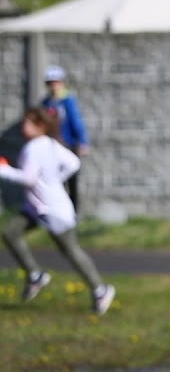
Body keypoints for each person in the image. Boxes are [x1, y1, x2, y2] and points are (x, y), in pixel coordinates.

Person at [0, 107, 114, 314]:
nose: (23, 127)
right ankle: (36, 275)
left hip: (53, 209)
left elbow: (28, 179)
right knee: (11, 233)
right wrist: (53, 181)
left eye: (28, 123)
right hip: (36, 207)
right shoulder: (51, 144)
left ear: (41, 126)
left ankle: (101, 289)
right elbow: (73, 163)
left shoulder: (33, 148)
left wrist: (4, 170)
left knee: (70, 250)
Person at [40, 65, 90, 209]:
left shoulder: (68, 100)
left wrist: (83, 142)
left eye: (56, 82)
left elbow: (76, 121)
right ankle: (58, 210)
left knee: (72, 181)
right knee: (55, 181)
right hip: (53, 148)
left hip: (69, 145)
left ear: (62, 83)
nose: (54, 86)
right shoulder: (46, 103)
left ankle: (73, 212)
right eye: (50, 83)